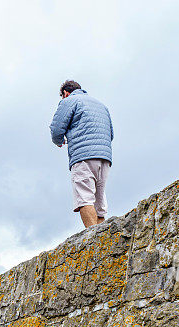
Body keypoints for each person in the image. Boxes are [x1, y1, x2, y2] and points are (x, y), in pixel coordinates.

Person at [50, 80, 114, 228]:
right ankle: (103, 241)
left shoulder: (69, 101)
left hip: (83, 155)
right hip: (104, 156)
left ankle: (94, 242)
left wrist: (59, 141)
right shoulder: (101, 105)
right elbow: (111, 133)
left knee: (85, 197)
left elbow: (56, 129)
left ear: (65, 93)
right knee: (99, 202)